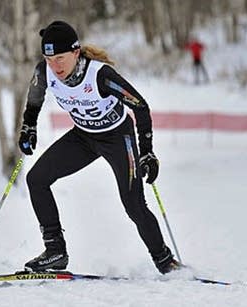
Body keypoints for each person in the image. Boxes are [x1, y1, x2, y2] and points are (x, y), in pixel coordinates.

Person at [18, 21, 181, 274]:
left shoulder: (100, 75)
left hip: (118, 138)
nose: (55, 65)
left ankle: (165, 262)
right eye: (49, 58)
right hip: (83, 138)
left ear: (75, 52)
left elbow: (140, 105)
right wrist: (28, 127)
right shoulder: (45, 72)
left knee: (133, 204)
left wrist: (147, 150)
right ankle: (55, 252)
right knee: (36, 179)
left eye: (60, 58)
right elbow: (34, 100)